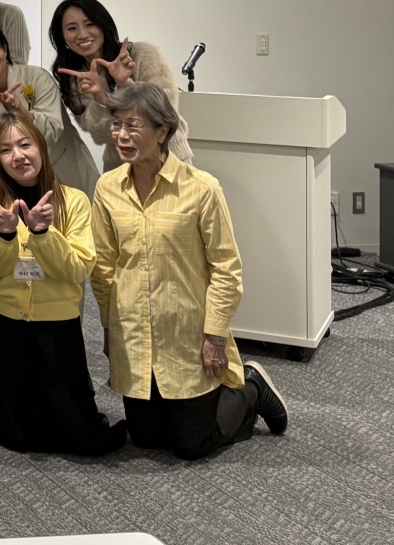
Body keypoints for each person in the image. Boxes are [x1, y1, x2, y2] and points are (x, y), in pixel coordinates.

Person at [91, 82, 288, 460]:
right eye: (117, 125)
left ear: (162, 131)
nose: (122, 135)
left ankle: (251, 388)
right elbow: (103, 266)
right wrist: (109, 328)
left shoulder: (201, 189)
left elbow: (227, 268)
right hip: (134, 331)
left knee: (190, 444)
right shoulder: (107, 188)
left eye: (133, 126)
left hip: (186, 336)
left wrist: (215, 336)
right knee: (145, 438)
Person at [0, 111, 125, 455]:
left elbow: (77, 270)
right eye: (5, 150)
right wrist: (4, 235)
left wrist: (43, 234)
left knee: (69, 432)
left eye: (25, 144)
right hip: (2, 326)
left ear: (40, 146)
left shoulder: (73, 200)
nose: (18, 156)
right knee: (14, 432)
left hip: (55, 329)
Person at [51, 0, 193, 169]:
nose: (83, 34)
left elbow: (164, 111)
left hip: (167, 157)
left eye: (90, 24)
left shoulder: (141, 55)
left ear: (103, 25)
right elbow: (99, 135)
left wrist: (124, 84)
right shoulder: (75, 77)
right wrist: (100, 98)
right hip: (121, 168)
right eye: (72, 28)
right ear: (62, 35)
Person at [0, 20, 97, 193]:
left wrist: (19, 110)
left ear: (5, 50)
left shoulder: (37, 77)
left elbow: (52, 131)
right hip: (14, 182)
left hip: (64, 169)